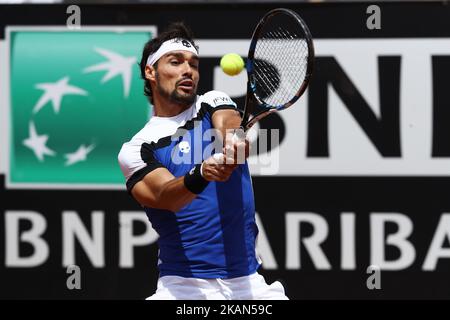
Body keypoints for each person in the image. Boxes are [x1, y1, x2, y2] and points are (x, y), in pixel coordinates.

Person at [118, 22, 288, 300]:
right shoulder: (136, 149)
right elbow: (166, 196)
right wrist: (202, 173)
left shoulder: (212, 102)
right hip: (181, 289)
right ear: (150, 72)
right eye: (176, 62)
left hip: (248, 286)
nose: (188, 70)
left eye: (194, 64)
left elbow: (229, 125)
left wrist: (235, 141)